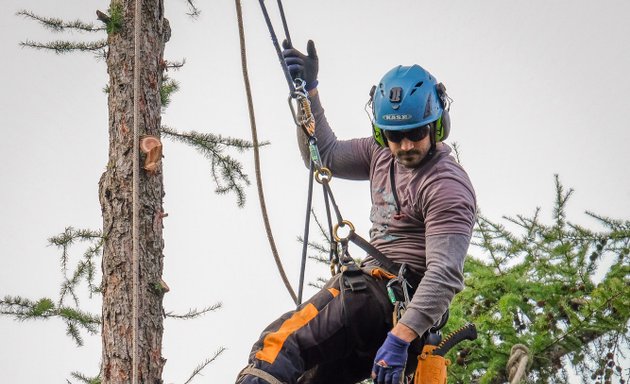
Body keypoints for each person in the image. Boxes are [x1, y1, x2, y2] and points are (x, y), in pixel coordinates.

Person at [236, 40, 476, 384]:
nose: (405, 146)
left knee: (277, 347)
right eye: (395, 135)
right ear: (381, 132)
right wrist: (310, 92)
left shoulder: (446, 186)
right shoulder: (381, 154)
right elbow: (326, 155)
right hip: (383, 324)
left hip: (386, 306)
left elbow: (444, 274)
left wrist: (400, 337)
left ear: (438, 125)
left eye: (416, 133)